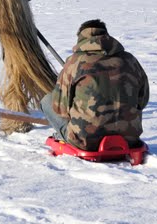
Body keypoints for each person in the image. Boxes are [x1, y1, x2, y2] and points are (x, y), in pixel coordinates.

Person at [40, 19, 149, 151]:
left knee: (47, 100)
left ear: (81, 38)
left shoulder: (75, 62)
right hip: (129, 138)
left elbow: (60, 108)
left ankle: (67, 135)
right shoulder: (130, 60)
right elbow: (143, 100)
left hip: (85, 141)